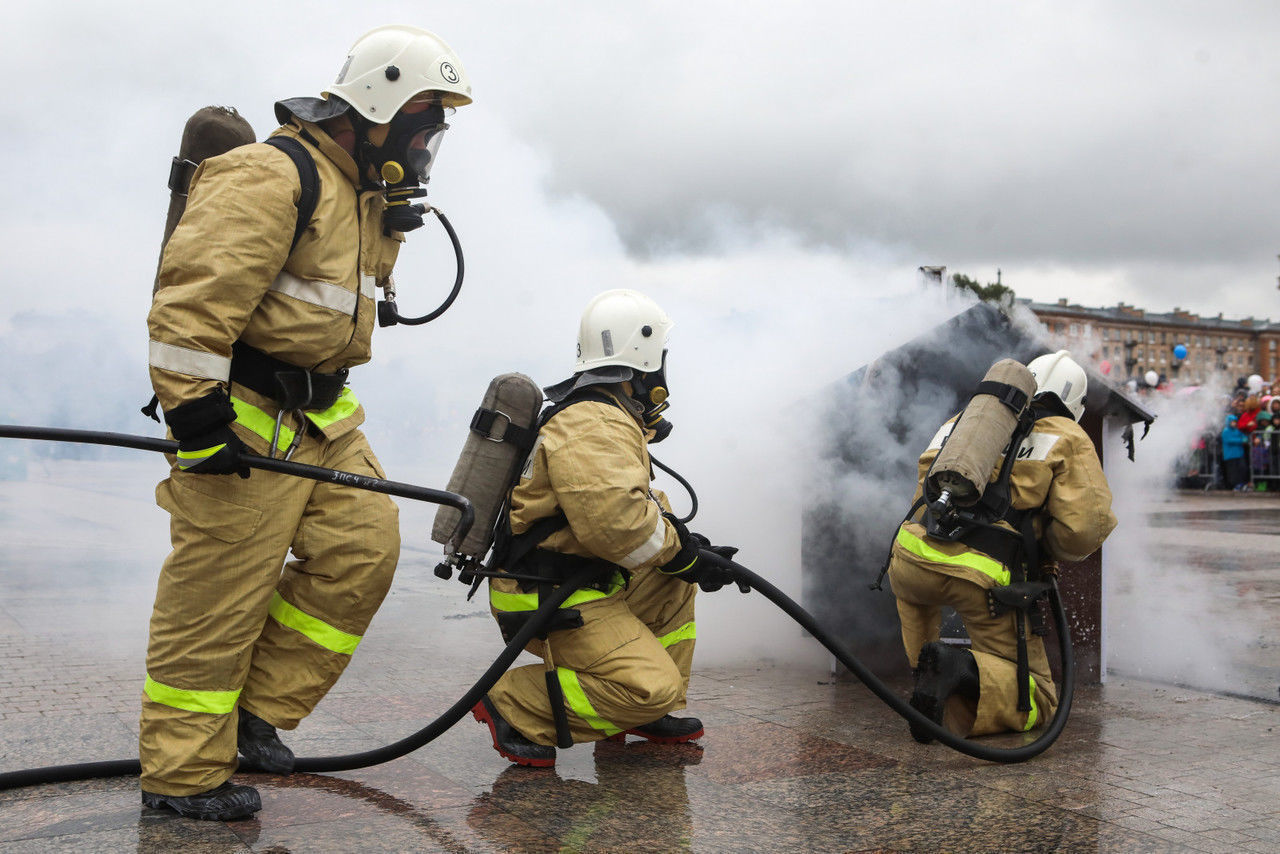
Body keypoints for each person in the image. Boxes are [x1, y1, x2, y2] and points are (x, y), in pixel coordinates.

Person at [140, 25, 472, 820]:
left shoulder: (361, 191)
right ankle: (181, 776)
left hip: (324, 414)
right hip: (245, 416)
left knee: (362, 550)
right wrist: (195, 420)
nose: (430, 142)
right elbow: (190, 305)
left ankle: (255, 712)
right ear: (378, 106)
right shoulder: (269, 175)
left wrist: (386, 227)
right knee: (219, 599)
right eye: (424, 121)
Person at [471, 289, 738, 767]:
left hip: (579, 580)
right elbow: (616, 524)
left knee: (673, 584)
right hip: (548, 595)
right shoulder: (593, 423)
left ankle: (640, 713)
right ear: (644, 358)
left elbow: (636, 506)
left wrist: (688, 551)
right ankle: (513, 705)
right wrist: (686, 555)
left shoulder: (604, 416)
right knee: (649, 684)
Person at [887, 351, 1116, 739]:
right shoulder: (1067, 435)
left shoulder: (966, 423)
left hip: (909, 557)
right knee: (1038, 697)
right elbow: (1083, 530)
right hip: (982, 577)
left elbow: (923, 491)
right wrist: (1043, 546)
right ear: (1073, 403)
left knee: (925, 649)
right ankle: (956, 676)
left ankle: (930, 693)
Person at [1221, 414, 1249, 490]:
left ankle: (1241, 484)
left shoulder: (1237, 431)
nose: (1234, 423)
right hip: (1230, 455)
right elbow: (1229, 440)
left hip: (1239, 454)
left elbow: (1244, 437)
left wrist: (1245, 439)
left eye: (1235, 422)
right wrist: (1241, 440)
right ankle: (1234, 485)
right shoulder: (1225, 431)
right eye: (1232, 422)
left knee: (1242, 469)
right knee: (1233, 471)